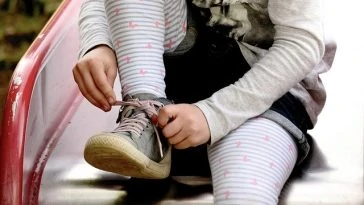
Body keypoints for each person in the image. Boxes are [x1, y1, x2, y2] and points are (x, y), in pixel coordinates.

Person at [73, 0, 330, 204]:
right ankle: (145, 116)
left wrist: (213, 115)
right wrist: (100, 43)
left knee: (245, 191)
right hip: (178, 82)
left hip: (267, 90)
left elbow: (301, 44)